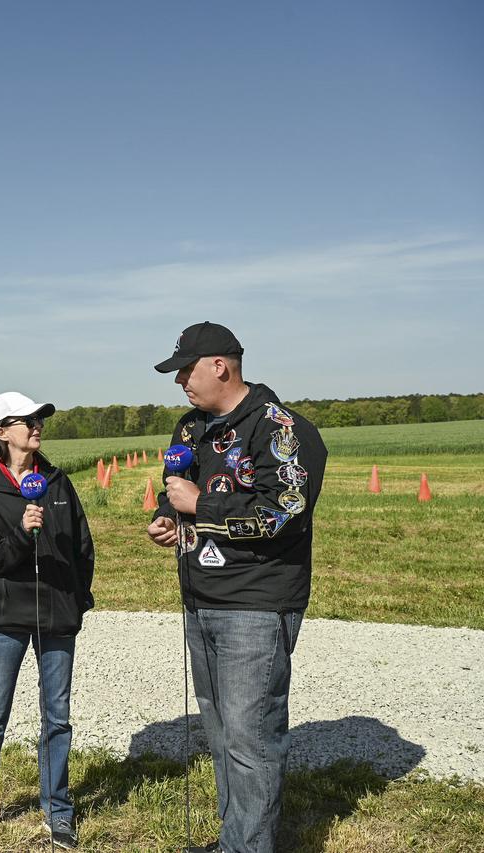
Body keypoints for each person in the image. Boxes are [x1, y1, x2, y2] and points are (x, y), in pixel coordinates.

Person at [145, 322, 326, 853]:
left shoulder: (281, 428)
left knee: (251, 739)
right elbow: (177, 490)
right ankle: (236, 840)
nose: (179, 381)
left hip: (256, 603)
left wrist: (200, 505)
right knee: (222, 734)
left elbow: (283, 513)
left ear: (219, 366)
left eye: (185, 370)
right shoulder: (189, 428)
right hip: (200, 598)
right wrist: (166, 517)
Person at [0, 392, 95, 850]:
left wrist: (78, 598)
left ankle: (59, 810)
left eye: (39, 419)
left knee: (57, 719)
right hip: (6, 619)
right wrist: (22, 531)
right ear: (2, 432)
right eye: (27, 420)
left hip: (58, 616)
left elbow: (82, 545)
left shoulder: (56, 481)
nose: (37, 426)